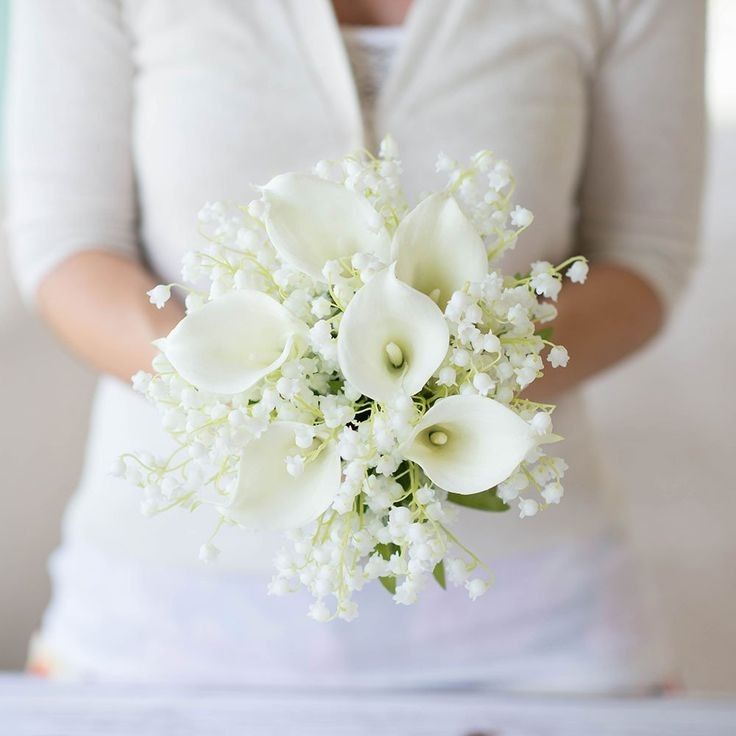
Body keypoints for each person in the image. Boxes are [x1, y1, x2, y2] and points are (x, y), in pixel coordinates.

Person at [4, 0, 705, 691]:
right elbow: (66, 242)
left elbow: (644, 253)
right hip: (163, 625)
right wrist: (283, 396)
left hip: (539, 629)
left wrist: (456, 381)